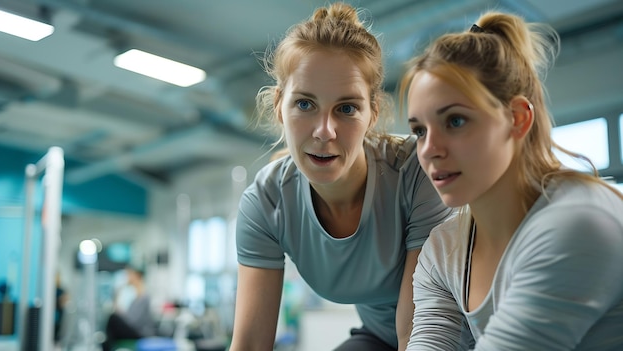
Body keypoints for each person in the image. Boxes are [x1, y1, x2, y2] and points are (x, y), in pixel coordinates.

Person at [230, 3, 453, 351]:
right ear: (278, 105)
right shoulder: (267, 202)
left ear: (372, 113)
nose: (324, 131)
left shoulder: (417, 171)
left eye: (346, 108)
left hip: (464, 334)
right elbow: (249, 344)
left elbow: (419, 330)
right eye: (305, 104)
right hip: (382, 338)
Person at [400, 10, 623, 350]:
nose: (429, 149)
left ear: (517, 119)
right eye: (419, 130)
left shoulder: (579, 223)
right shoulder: (442, 250)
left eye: (455, 121)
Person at [102, 266, 156, 351]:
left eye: (129, 274)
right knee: (113, 320)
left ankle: (106, 346)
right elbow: (128, 317)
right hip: (135, 329)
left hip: (141, 333)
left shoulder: (144, 297)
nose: (127, 277)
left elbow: (132, 320)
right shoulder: (136, 298)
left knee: (113, 318)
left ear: (137, 276)